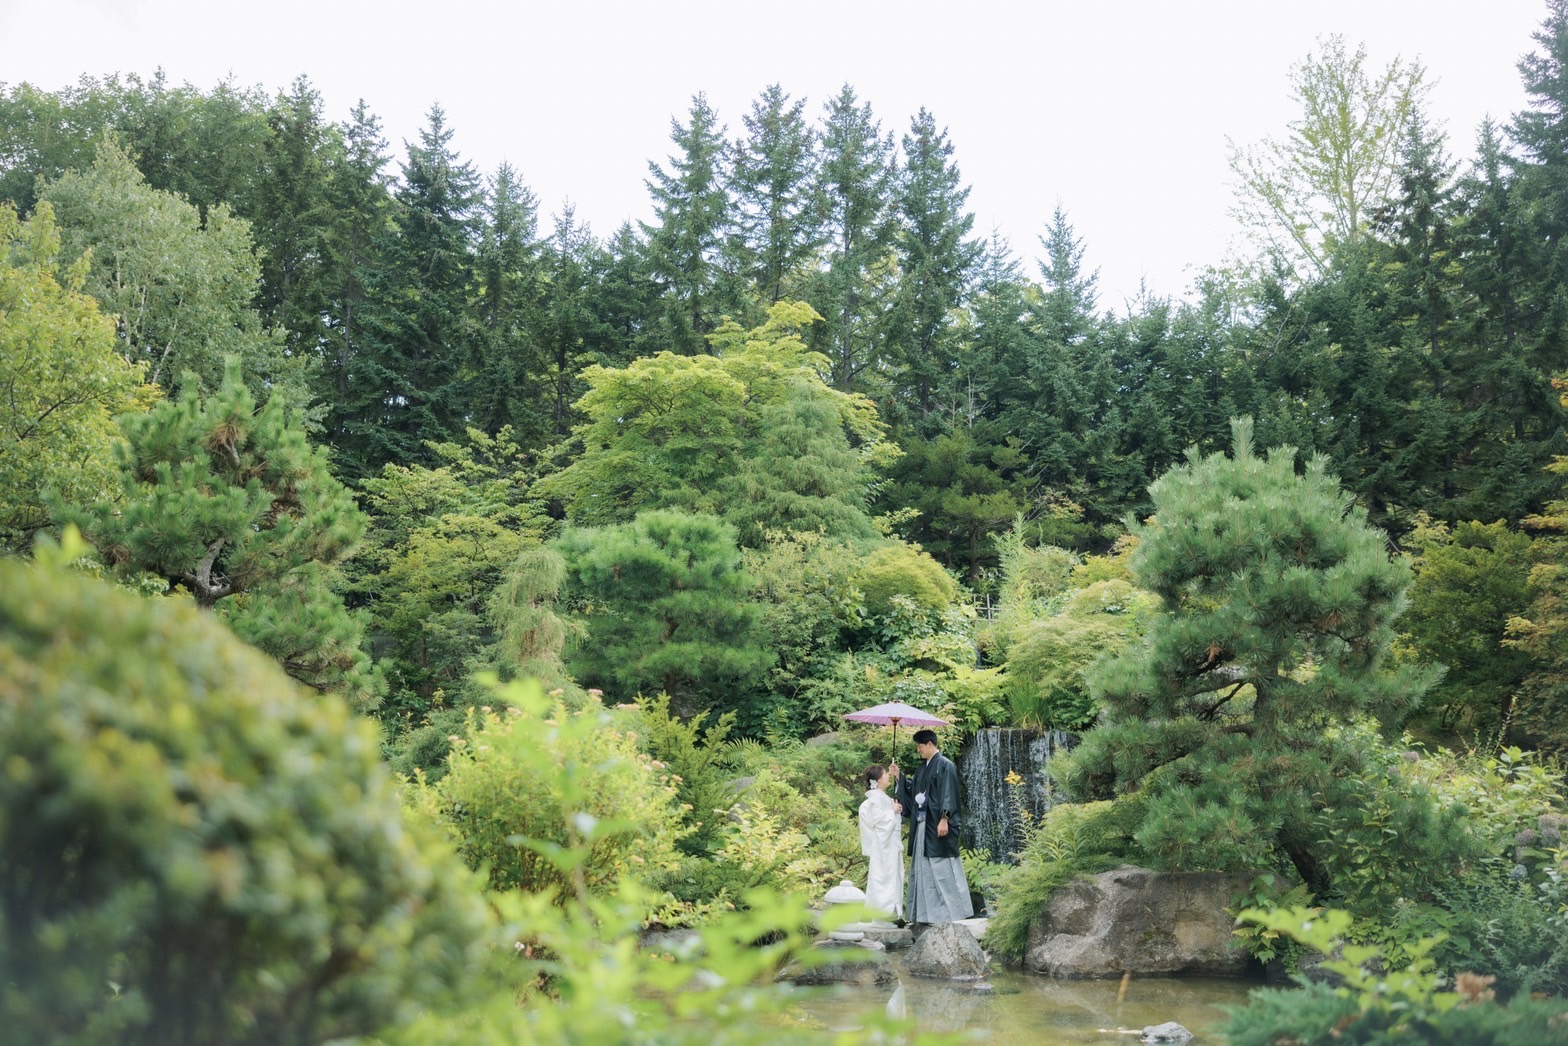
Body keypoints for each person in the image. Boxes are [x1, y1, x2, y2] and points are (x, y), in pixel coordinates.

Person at [890, 729, 973, 926]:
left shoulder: (946, 765)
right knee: (923, 868)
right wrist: (899, 777)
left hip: (937, 824)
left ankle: (952, 913)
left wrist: (944, 818)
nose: (918, 750)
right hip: (922, 825)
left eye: (919, 746)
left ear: (929, 744)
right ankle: (926, 916)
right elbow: (913, 791)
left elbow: (949, 794)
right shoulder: (922, 769)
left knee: (942, 867)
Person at [857, 764, 904, 924]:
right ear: (878, 779)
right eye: (885, 774)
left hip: (888, 845)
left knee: (887, 877)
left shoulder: (880, 797)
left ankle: (888, 913)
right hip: (883, 846)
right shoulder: (877, 798)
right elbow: (879, 822)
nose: (887, 776)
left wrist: (894, 809)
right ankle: (881, 915)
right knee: (883, 878)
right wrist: (893, 811)